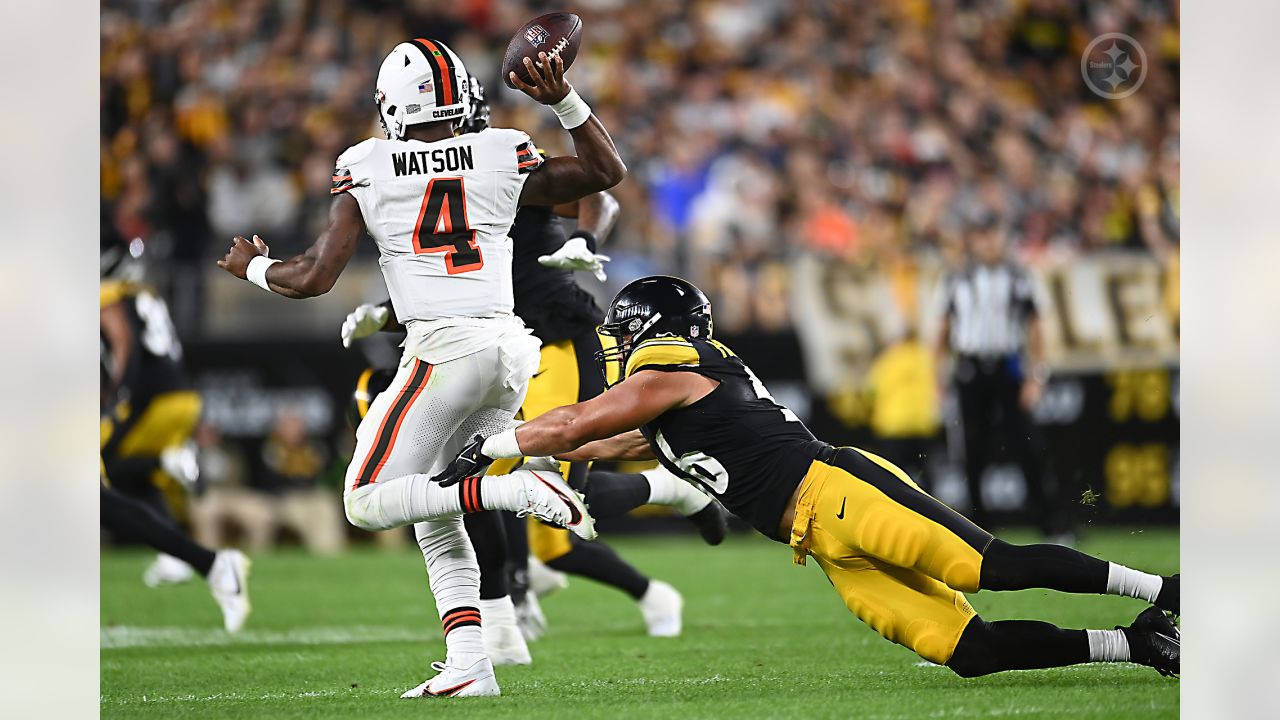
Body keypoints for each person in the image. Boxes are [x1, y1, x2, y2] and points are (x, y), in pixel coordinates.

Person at [433, 275, 1181, 680]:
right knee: (967, 652)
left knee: (994, 566)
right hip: (818, 540)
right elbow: (603, 445)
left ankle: (1169, 593)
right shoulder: (672, 398)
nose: (616, 346)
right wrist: (518, 454)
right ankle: (1137, 644)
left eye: (623, 333)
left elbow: (576, 423)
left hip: (839, 491)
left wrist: (493, 442)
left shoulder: (673, 365)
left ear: (649, 330)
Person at [215, 40, 624, 698]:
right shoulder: (501, 148)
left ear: (391, 107)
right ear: (461, 96)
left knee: (364, 501)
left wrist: (252, 268)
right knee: (435, 509)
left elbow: (315, 276)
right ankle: (470, 665)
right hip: (508, 351)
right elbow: (605, 173)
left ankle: (512, 492)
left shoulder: (368, 164)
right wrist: (563, 100)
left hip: (444, 352)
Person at [340, 75, 725, 657]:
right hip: (489, 344)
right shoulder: (421, 177)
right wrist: (387, 313)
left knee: (544, 500)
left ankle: (667, 490)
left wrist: (586, 238)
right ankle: (501, 621)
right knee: (485, 489)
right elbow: (450, 280)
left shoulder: (498, 162)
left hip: (554, 341)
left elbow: (601, 190)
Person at [935, 218, 1061, 538]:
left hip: (1008, 367)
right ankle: (978, 527)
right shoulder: (956, 279)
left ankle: (1049, 521)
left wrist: (1037, 376)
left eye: (993, 236)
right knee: (973, 450)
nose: (988, 244)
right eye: (982, 237)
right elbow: (942, 332)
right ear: (973, 241)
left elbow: (1036, 327)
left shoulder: (1019, 277)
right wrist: (936, 378)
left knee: (1027, 445)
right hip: (970, 368)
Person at [100, 227, 204, 587]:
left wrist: (121, 393)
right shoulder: (144, 293)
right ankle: (172, 554)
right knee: (136, 477)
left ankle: (167, 461)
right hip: (182, 396)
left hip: (151, 397)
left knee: (105, 464)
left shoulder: (110, 293)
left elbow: (124, 342)